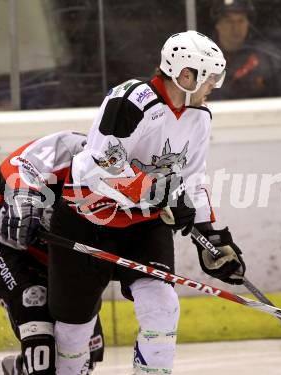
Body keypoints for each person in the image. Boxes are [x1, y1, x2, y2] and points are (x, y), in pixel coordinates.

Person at [43, 30, 246, 375]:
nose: (214, 84)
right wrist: (159, 192)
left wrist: (212, 237)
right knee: (74, 331)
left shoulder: (200, 118)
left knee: (163, 307)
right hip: (86, 219)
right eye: (209, 77)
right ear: (185, 75)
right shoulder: (132, 100)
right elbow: (98, 169)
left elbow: (193, 180)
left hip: (141, 226)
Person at [0, 131, 104, 375]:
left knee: (83, 356)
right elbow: (18, 164)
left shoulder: (132, 176)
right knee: (41, 344)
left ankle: (17, 370)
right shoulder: (69, 148)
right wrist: (23, 199)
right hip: (11, 252)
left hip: (66, 268)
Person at [208, 0, 281, 100]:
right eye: (229, 21)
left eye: (241, 21)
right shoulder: (203, 57)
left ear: (248, 24)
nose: (236, 28)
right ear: (217, 25)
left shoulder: (269, 58)